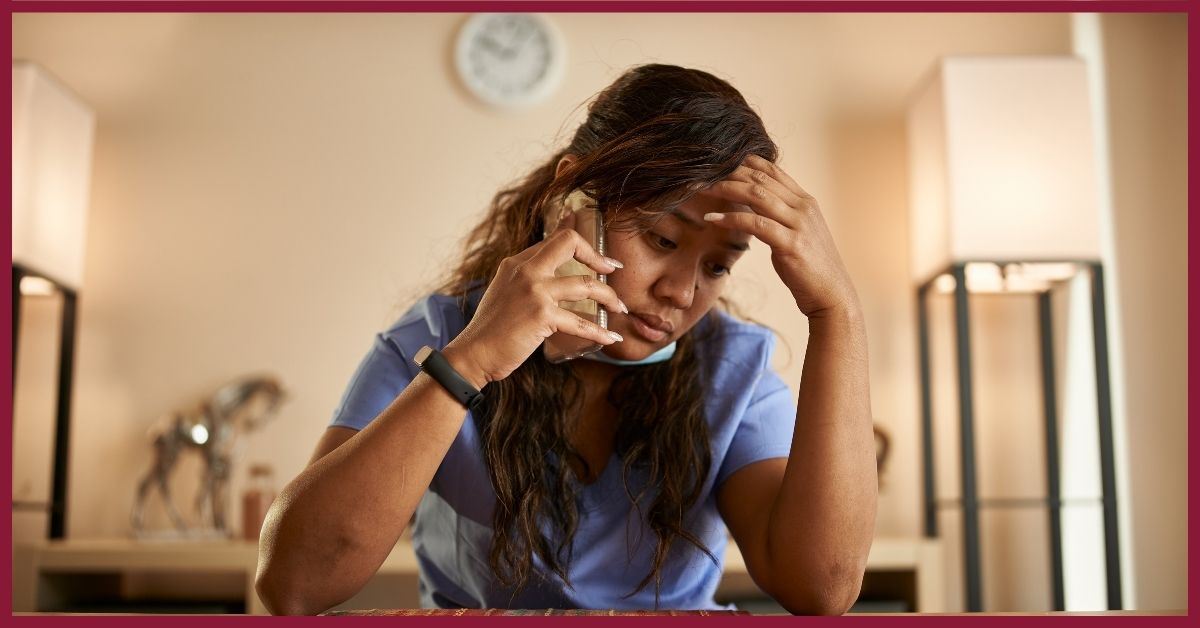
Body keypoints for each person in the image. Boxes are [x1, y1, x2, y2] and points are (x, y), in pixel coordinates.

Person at [254, 64, 876, 616]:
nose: (683, 293)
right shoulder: (438, 336)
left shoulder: (730, 369)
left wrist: (838, 313)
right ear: (573, 199)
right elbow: (294, 585)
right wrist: (471, 361)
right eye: (662, 240)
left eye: (718, 266)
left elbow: (820, 589)